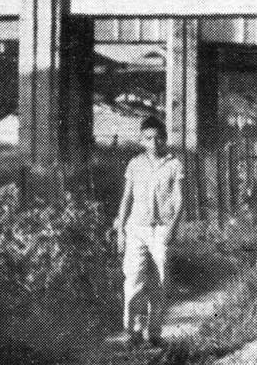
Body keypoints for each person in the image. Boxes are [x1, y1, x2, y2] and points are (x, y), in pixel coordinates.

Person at [112, 116, 184, 348]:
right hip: (136, 229)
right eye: (149, 138)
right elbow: (126, 198)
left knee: (160, 281)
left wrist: (172, 228)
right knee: (133, 279)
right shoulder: (135, 164)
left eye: (159, 138)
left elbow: (179, 199)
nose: (154, 143)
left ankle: (154, 333)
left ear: (164, 139)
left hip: (161, 229)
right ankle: (131, 332)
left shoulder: (174, 164)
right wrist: (121, 230)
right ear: (142, 141)